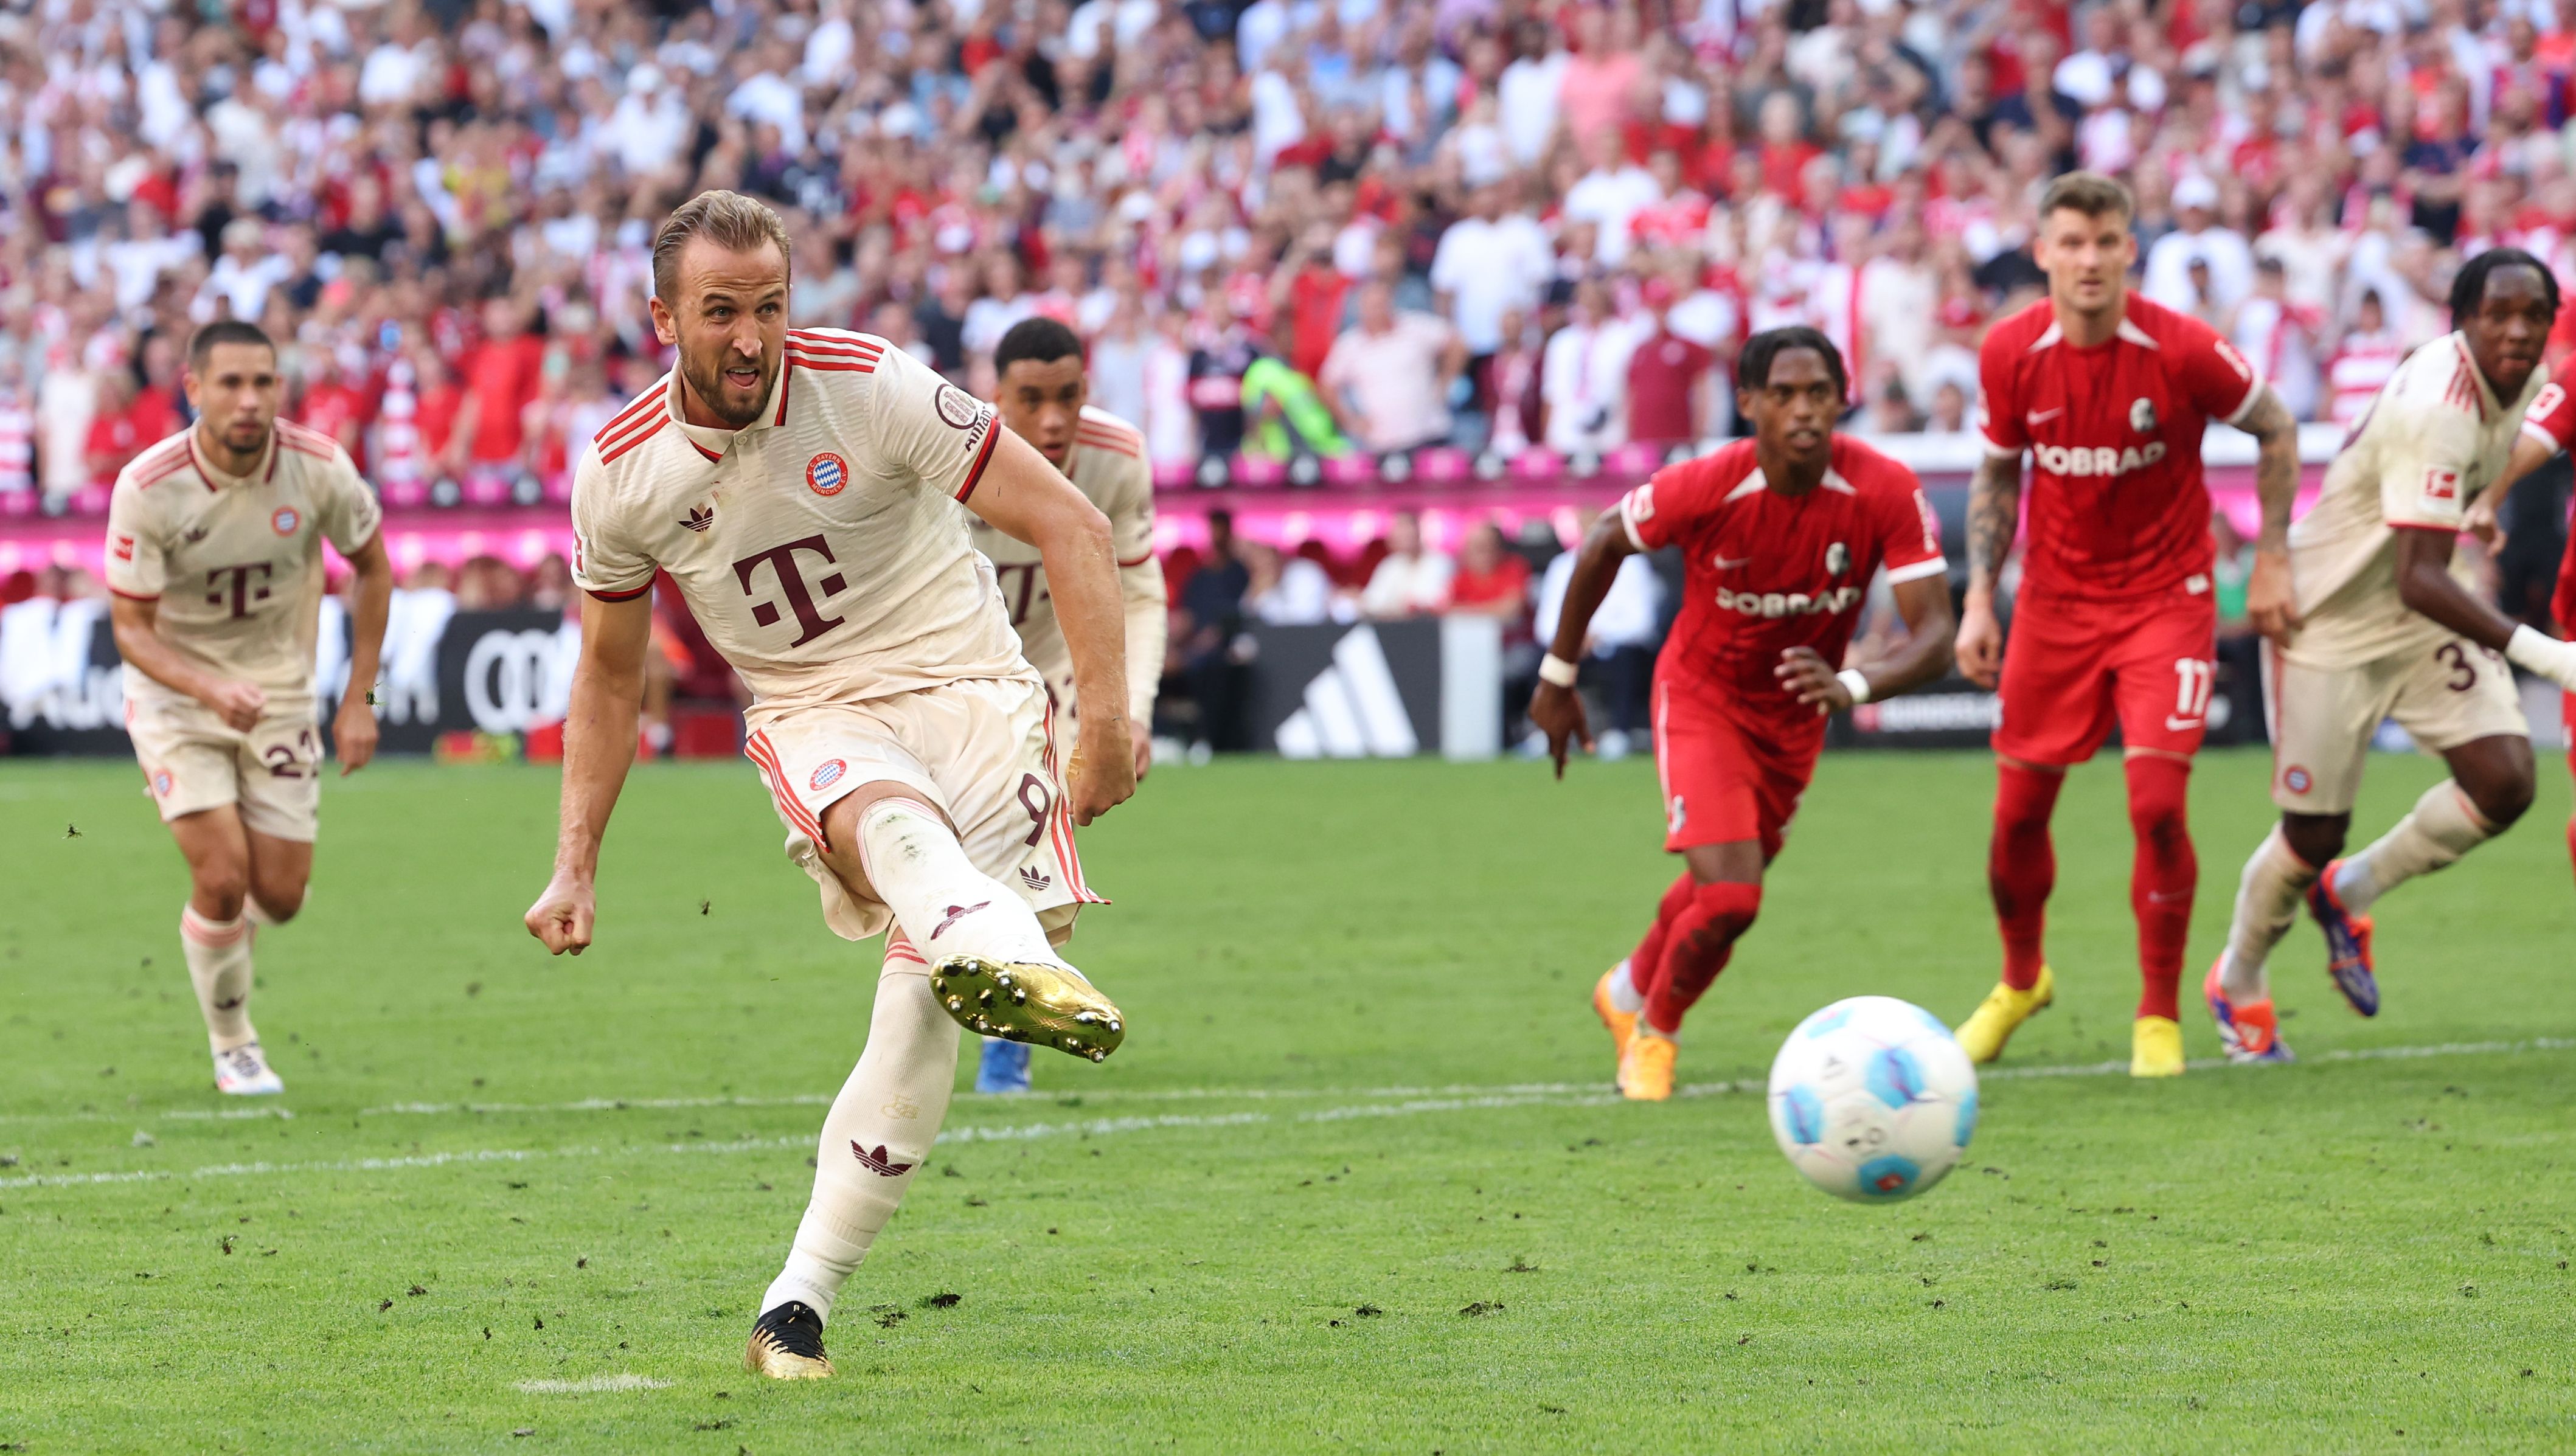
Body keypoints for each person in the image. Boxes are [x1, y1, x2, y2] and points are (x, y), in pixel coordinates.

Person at [521, 192, 1138, 1382]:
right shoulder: (622, 473)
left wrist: (1104, 720)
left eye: (769, 307)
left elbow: (1070, 523)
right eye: (719, 312)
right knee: (880, 815)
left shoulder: (869, 384)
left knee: (918, 1012)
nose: (750, 337)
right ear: (662, 319)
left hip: (974, 693)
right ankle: (996, 940)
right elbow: (606, 678)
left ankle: (794, 1303)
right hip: (817, 708)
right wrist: (574, 862)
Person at [1532, 327, 1957, 1101]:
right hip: (1703, 699)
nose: (1803, 411)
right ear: (1747, 404)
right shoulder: (1706, 483)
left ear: (1842, 400)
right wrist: (1558, 676)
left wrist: (1851, 686)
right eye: (1783, 395)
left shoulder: (1884, 489)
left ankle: (1623, 991)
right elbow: (1601, 543)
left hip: (1794, 717)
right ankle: (1654, 1033)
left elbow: (1935, 637)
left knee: (1720, 882)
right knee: (1731, 895)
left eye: (1818, 394)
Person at [1953, 172, 2303, 1079]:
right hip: (2053, 606)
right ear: (2041, 252)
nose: (2088, 260)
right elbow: (1997, 474)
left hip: (2163, 602)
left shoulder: (2182, 348)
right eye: (2070, 243)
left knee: (2154, 805)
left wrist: (2270, 556)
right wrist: (1978, 597)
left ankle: (2156, 1011)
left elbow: (2275, 427)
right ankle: (2019, 980)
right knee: (2015, 815)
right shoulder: (2008, 352)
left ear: (2128, 252)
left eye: (2104, 242)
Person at [2205, 249, 2576, 1062]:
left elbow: (2509, 453)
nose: (2515, 331)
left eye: (2531, 315)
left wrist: (2484, 502)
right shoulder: (2436, 405)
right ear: (2461, 321)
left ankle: (2351, 890)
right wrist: (2550, 658)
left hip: (2417, 616)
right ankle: (2236, 978)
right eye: (2496, 315)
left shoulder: (2523, 379)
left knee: (2504, 782)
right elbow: (2417, 576)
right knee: (2311, 833)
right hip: (2330, 618)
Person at [102, 320, 394, 1096]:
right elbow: (130, 630)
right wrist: (207, 690)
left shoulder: (318, 467)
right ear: (193, 389)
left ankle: (228, 935)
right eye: (230, 383)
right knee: (224, 875)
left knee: (282, 898)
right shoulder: (148, 485)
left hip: (277, 693)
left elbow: (374, 568)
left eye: (263, 382)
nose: (249, 400)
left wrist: (362, 698)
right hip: (175, 699)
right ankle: (234, 1045)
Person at [965, 316, 1167, 1095]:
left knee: (1032, 837)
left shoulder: (1116, 456)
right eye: (1031, 400)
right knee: (955, 848)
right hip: (962, 669)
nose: (1052, 421)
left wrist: (1131, 711)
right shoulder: (946, 448)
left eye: (1068, 397)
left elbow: (1138, 592)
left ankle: (1008, 1032)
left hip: (1057, 674)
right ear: (995, 395)